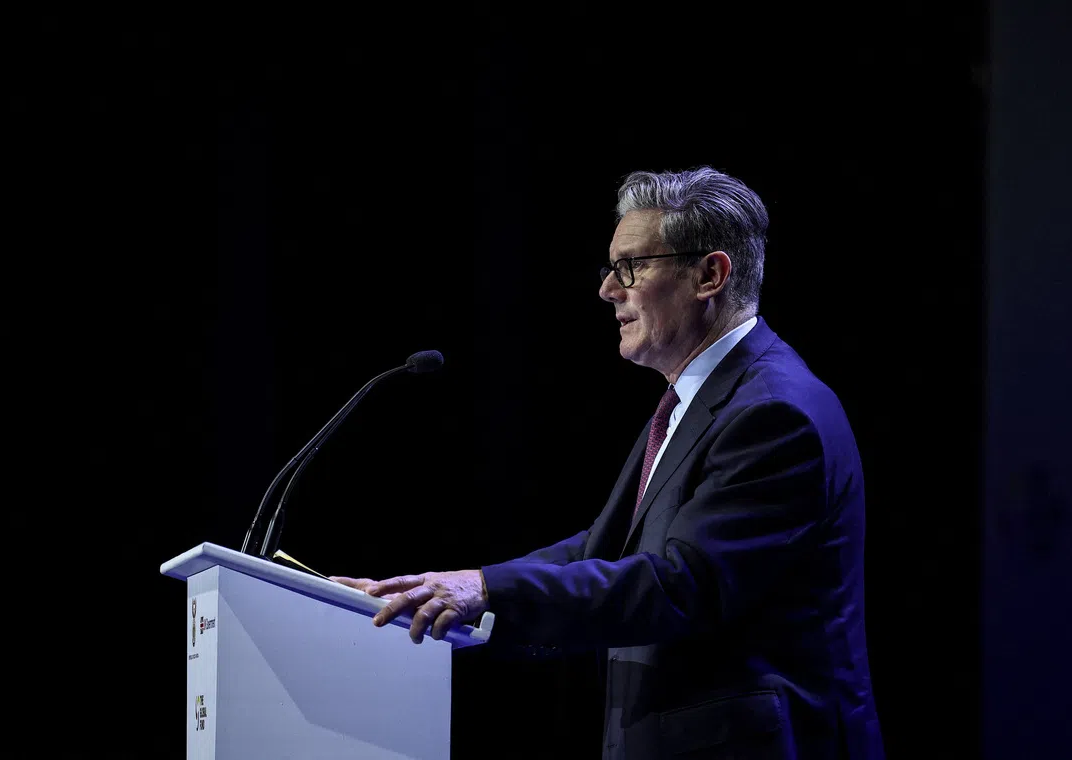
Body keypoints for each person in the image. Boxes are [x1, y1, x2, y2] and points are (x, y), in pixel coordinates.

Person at [331, 167, 884, 759]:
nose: (608, 290)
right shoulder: (700, 399)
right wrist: (450, 590)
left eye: (632, 268)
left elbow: (681, 584)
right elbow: (607, 547)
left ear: (709, 274)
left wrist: (488, 589)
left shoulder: (775, 412)